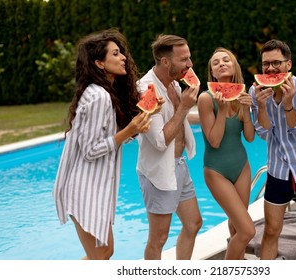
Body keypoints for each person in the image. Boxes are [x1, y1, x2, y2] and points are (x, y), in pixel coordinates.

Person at [53, 29, 154, 260]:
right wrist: (129, 130)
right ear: (99, 63)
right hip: (83, 188)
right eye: (116, 54)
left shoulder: (101, 92)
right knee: (102, 254)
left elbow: (107, 139)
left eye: (121, 53)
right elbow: (90, 151)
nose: (123, 58)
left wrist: (132, 131)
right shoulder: (99, 96)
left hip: (93, 186)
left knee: (103, 253)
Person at [249, 39, 296, 260]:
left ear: (288, 64)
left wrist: (289, 103)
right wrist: (262, 107)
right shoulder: (256, 92)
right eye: (265, 64)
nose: (270, 69)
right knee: (271, 229)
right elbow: (263, 133)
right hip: (277, 169)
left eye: (276, 63)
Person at [136, 34, 202, 260]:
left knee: (193, 223)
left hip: (180, 166)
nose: (190, 64)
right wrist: (184, 106)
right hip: (159, 172)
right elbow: (160, 141)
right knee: (159, 239)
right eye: (184, 59)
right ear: (165, 62)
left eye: (189, 58)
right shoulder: (146, 89)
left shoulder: (173, 83)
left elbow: (179, 119)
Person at [197, 47, 256, 260]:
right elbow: (214, 141)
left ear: (234, 67)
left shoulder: (242, 94)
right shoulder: (205, 98)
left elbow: (249, 138)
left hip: (242, 167)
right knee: (248, 230)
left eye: (226, 60)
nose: (221, 64)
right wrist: (221, 111)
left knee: (236, 228)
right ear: (212, 72)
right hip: (216, 170)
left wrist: (247, 111)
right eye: (216, 62)